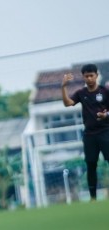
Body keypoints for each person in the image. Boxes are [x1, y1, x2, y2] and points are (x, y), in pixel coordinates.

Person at [61, 63, 109, 201]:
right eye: (86, 76)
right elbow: (68, 103)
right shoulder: (81, 93)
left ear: (96, 76)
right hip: (89, 135)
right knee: (91, 165)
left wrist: (105, 116)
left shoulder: (105, 91)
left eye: (91, 75)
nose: (89, 79)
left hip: (105, 132)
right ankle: (93, 198)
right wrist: (63, 87)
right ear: (83, 77)